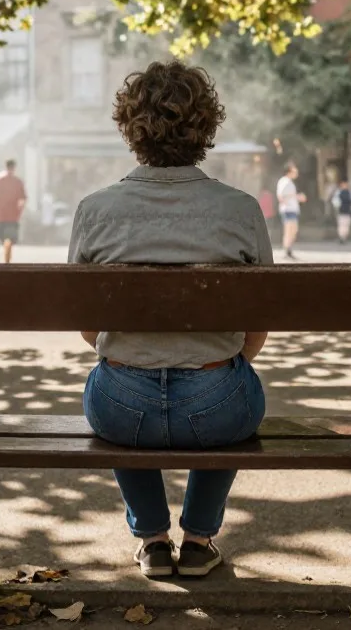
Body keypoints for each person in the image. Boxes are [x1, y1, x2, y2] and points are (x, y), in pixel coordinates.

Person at [70, 60, 270, 580]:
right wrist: (218, 366)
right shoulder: (242, 209)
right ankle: (200, 539)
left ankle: (154, 541)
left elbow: (90, 332)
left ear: (131, 129)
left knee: (107, 380)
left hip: (121, 407)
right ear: (206, 127)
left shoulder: (94, 210)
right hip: (216, 406)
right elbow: (259, 329)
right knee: (240, 387)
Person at [0, 159, 27, 264]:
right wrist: (20, 212)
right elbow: (23, 200)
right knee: (12, 238)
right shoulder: (18, 182)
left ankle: (6, 256)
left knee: (3, 238)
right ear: (14, 167)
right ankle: (7, 257)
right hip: (14, 215)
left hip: (1, 214)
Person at [275, 162, 306, 259]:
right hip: (288, 209)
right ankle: (287, 250)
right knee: (289, 230)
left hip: (292, 209)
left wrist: (297, 197)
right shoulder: (284, 181)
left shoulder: (290, 182)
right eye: (294, 170)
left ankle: (288, 249)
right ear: (289, 171)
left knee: (293, 230)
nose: (296, 172)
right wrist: (295, 197)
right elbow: (280, 195)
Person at [333, 179, 351, 244]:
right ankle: (341, 238)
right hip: (341, 211)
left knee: (346, 225)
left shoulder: (348, 192)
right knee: (342, 225)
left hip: (347, 211)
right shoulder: (339, 193)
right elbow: (335, 202)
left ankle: (344, 237)